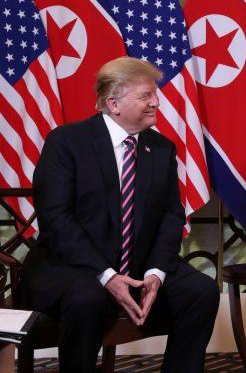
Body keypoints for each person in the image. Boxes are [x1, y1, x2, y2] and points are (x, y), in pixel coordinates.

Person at [20, 57, 219, 373]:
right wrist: (107, 275)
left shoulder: (162, 148)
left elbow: (171, 215)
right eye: (145, 96)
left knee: (202, 291)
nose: (156, 102)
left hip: (139, 264)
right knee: (88, 298)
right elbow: (56, 221)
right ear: (113, 103)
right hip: (73, 266)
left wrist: (156, 272)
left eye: (155, 93)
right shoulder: (66, 142)